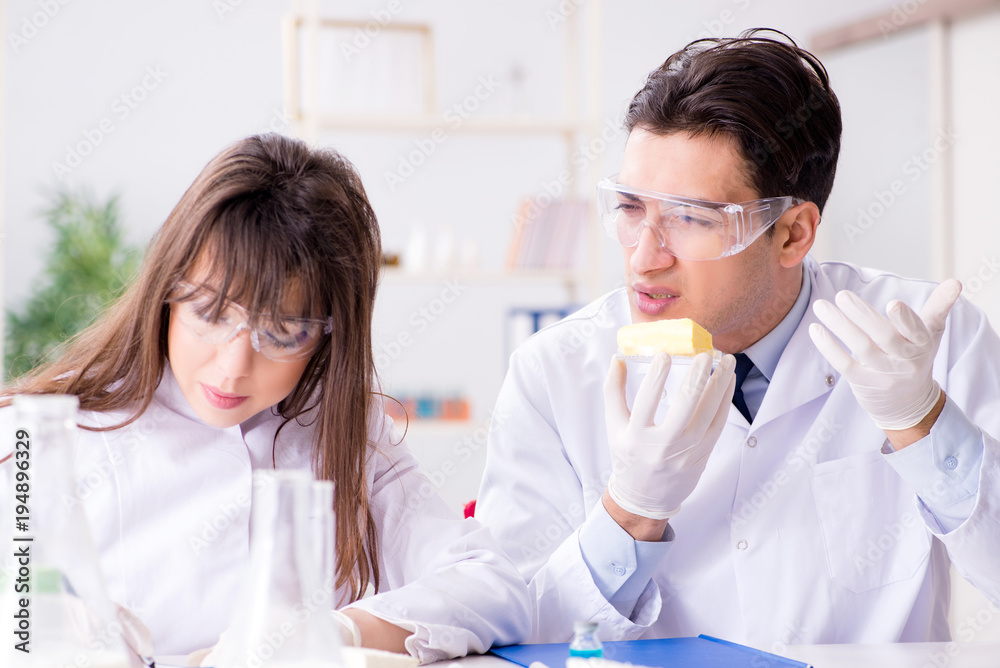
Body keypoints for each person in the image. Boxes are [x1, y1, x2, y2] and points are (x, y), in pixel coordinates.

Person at [476, 29, 1000, 647]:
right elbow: (515, 630)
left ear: (793, 234)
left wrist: (923, 424)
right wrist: (630, 512)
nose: (644, 257)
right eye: (631, 208)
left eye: (689, 217)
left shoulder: (925, 341)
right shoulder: (554, 372)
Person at [0, 133, 530, 661]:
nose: (233, 368)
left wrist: (329, 633)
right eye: (209, 314)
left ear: (329, 335)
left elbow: (490, 585)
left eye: (282, 333)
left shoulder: (343, 426)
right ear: (166, 290)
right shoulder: (44, 432)